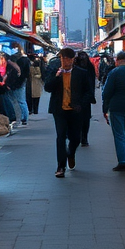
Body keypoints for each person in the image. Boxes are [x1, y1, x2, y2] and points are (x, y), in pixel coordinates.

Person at [44, 47, 94, 177]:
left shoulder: (81, 73)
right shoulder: (56, 72)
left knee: (75, 138)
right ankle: (61, 166)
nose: (64, 61)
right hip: (59, 110)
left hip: (75, 111)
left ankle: (70, 154)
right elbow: (47, 88)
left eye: (67, 58)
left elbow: (89, 92)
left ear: (72, 60)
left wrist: (81, 104)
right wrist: (56, 77)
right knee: (60, 137)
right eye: (62, 58)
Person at [73, 50, 97, 146]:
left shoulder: (78, 67)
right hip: (84, 96)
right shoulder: (89, 67)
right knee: (84, 119)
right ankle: (83, 138)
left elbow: (91, 82)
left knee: (81, 118)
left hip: (82, 96)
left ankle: (82, 137)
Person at [7, 46, 30, 126]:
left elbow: (15, 75)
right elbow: (26, 74)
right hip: (21, 83)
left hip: (17, 84)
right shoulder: (26, 60)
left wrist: (12, 85)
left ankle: (22, 118)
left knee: (17, 101)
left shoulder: (16, 62)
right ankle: (24, 118)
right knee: (21, 101)